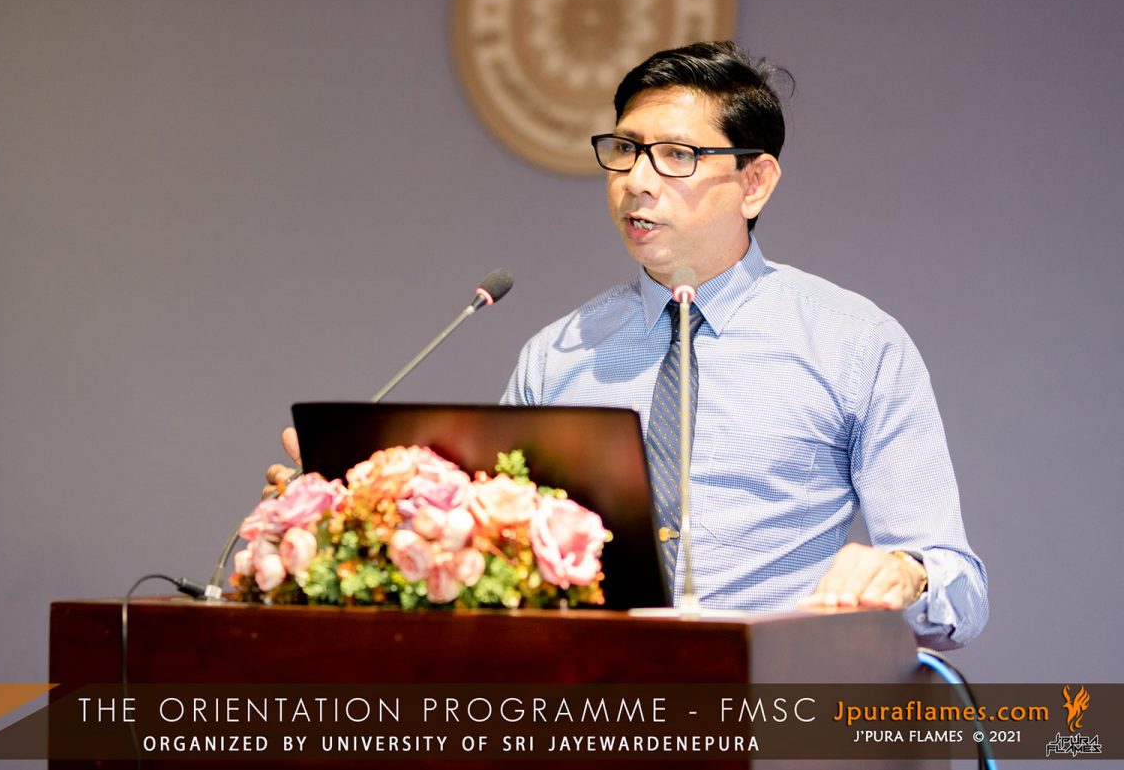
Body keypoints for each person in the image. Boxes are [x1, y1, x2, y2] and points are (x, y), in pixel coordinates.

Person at [270, 41, 987, 650]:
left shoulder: (854, 343)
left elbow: (961, 586)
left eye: (676, 155)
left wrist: (908, 573)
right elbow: (492, 556)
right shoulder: (558, 357)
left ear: (755, 182)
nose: (636, 182)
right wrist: (361, 508)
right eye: (625, 151)